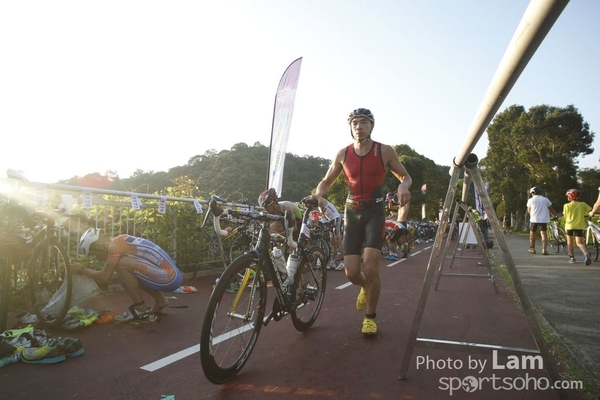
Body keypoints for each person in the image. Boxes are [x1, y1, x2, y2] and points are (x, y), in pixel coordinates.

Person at [308, 108, 412, 336]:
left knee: (371, 266)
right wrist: (318, 194)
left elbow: (405, 176)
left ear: (371, 126)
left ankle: (370, 317)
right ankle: (366, 286)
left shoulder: (384, 150)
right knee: (352, 272)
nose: (359, 126)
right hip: (352, 212)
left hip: (375, 211)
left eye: (364, 122)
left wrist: (403, 186)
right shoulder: (343, 153)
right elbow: (326, 180)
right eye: (355, 123)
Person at [71, 228, 183, 322]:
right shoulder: (119, 241)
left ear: (97, 246)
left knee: (122, 265)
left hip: (169, 277)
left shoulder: (114, 245)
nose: (97, 257)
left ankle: (140, 309)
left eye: (94, 254)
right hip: (171, 276)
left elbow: (104, 278)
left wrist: (81, 269)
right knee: (128, 271)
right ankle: (160, 300)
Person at [563, 188, 592, 265]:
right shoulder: (583, 204)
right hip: (580, 225)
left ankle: (572, 258)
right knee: (580, 243)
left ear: (569, 197)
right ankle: (586, 253)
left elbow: (565, 216)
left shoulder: (566, 205)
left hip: (569, 226)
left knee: (570, 242)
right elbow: (590, 211)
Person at [526, 186, 557, 255]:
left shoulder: (530, 200)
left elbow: (529, 210)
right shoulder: (545, 199)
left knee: (532, 233)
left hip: (534, 219)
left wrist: (533, 213)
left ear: (533, 193)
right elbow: (551, 209)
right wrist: (554, 216)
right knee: (543, 234)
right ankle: (544, 250)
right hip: (544, 219)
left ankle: (532, 248)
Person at [317, 197, 345, 271]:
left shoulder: (321, 200)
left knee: (338, 240)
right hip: (330, 221)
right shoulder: (319, 207)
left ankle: (344, 261)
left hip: (336, 218)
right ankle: (332, 262)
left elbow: (317, 199)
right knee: (333, 242)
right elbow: (323, 216)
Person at [386, 192, 411, 258]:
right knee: (398, 240)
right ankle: (399, 252)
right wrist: (390, 200)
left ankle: (404, 253)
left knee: (403, 240)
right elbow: (390, 207)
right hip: (398, 223)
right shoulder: (399, 206)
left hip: (402, 222)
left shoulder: (406, 204)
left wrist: (402, 193)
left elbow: (407, 199)